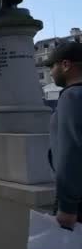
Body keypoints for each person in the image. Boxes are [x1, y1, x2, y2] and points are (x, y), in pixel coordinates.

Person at [45, 42, 82, 229]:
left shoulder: (71, 97)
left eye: (52, 65)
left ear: (66, 65)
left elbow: (70, 153)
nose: (51, 72)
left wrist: (67, 206)